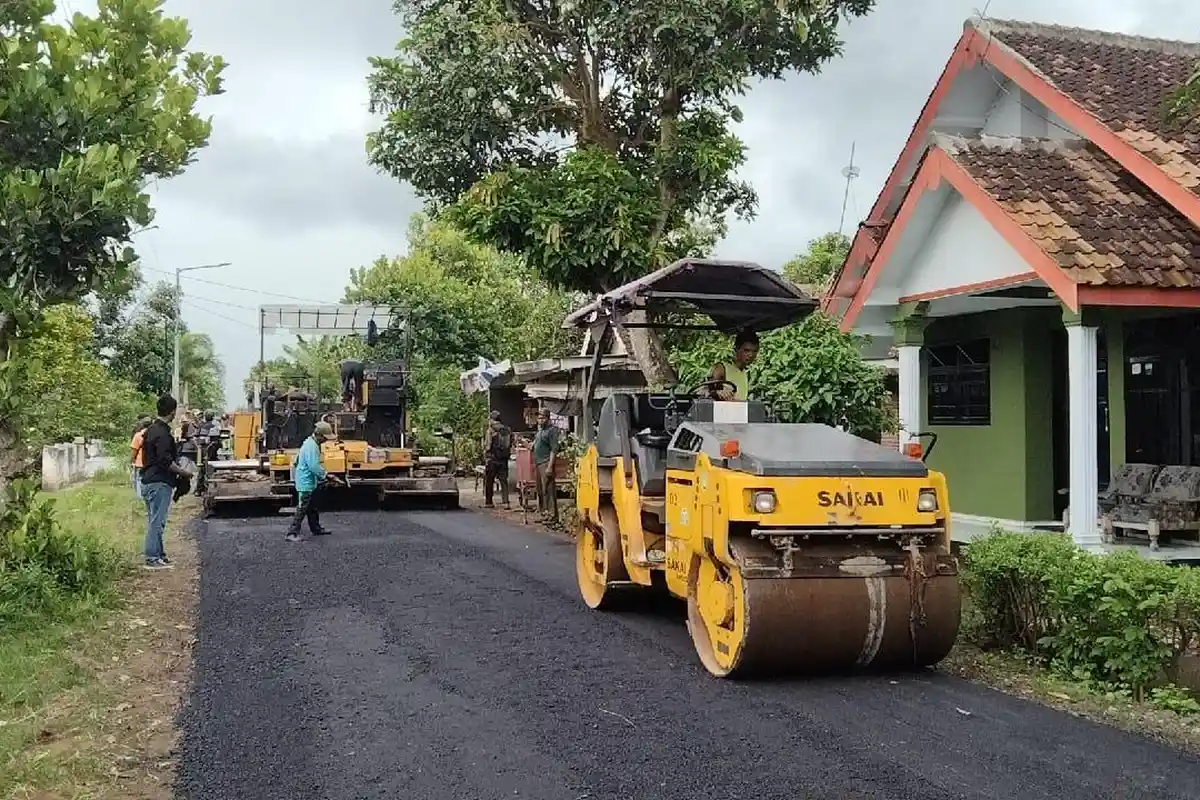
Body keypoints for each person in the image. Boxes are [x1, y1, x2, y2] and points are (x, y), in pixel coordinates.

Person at [140, 395, 194, 570]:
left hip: (148, 480)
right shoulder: (163, 434)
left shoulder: (150, 430)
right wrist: (183, 472)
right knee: (157, 521)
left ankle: (159, 554)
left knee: (155, 520)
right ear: (172, 412)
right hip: (159, 482)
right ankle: (152, 558)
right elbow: (165, 460)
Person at [287, 420, 336, 542]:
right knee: (302, 508)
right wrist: (326, 475)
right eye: (325, 438)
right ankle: (291, 533)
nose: (326, 440)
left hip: (309, 481)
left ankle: (316, 528)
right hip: (305, 483)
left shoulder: (310, 442)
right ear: (319, 435)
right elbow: (313, 466)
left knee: (312, 507)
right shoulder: (311, 446)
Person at [710, 330, 759, 401]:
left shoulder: (745, 372)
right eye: (746, 350)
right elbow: (704, 392)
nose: (751, 355)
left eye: (754, 351)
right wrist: (718, 392)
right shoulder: (722, 368)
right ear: (736, 349)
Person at [532, 409, 560, 522]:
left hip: (546, 462)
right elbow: (533, 446)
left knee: (548, 489)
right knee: (540, 490)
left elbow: (554, 449)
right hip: (538, 463)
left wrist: (549, 466)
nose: (540, 420)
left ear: (548, 418)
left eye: (542, 418)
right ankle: (544, 513)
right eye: (539, 418)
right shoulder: (540, 431)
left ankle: (552, 515)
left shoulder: (551, 431)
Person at [482, 411, 512, 509]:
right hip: (504, 459)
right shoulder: (507, 429)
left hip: (492, 459)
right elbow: (511, 444)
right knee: (503, 481)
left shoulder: (490, 430)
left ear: (492, 419)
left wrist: (486, 454)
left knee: (489, 480)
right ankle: (506, 502)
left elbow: (488, 445)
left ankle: (489, 502)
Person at [130, 417, 151, 500]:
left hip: (139, 462)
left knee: (139, 480)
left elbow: (134, 450)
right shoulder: (154, 435)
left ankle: (140, 498)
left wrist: (132, 460)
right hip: (150, 462)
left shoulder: (138, 435)